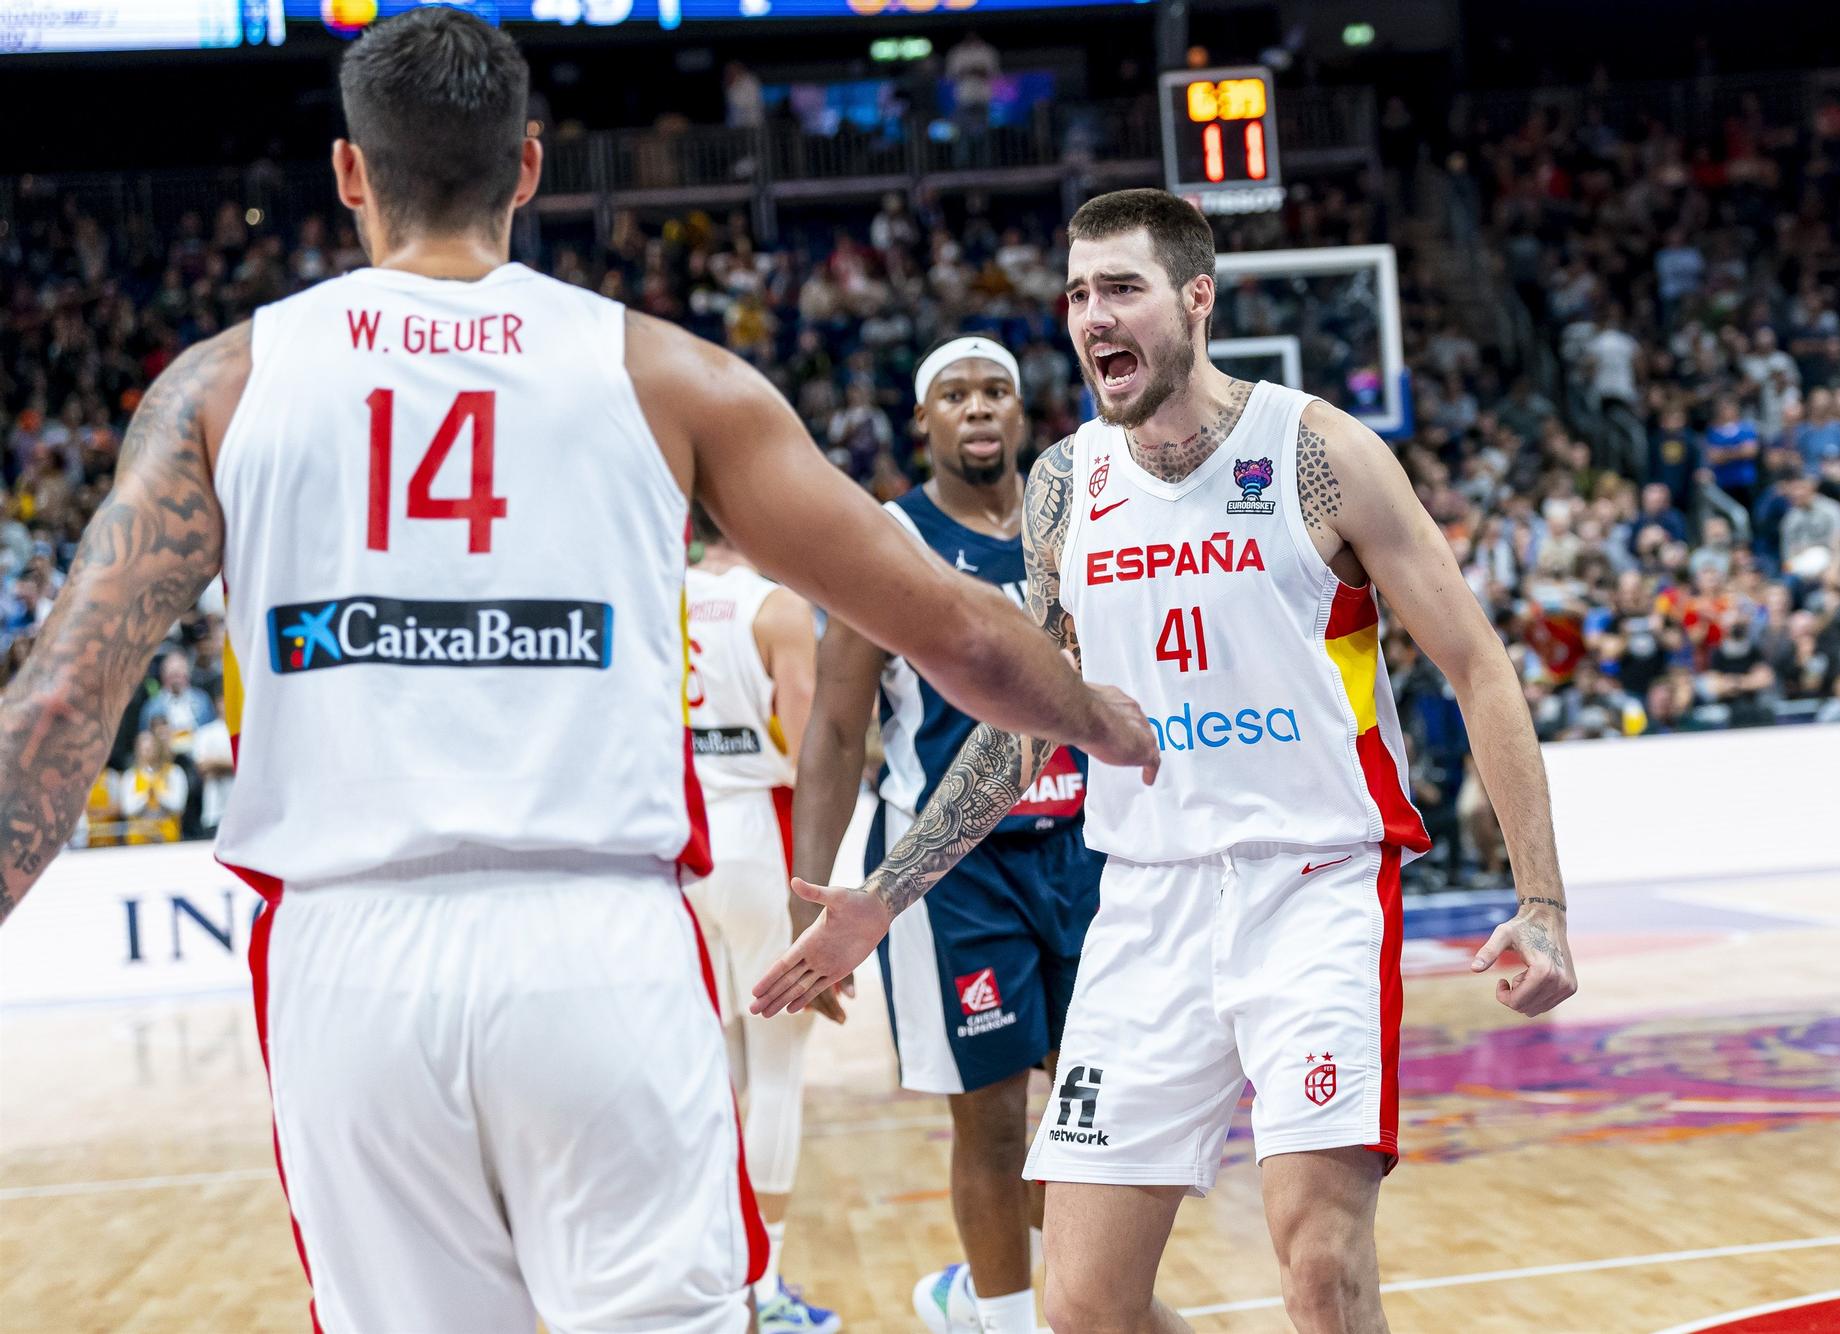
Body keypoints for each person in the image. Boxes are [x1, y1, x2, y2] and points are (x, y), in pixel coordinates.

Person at [0, 13, 1158, 1334]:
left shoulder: (221, 384)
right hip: (593, 945)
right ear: (531, 168)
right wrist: (1099, 715)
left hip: (343, 962)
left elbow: (52, 710)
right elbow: (949, 630)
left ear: (349, 174)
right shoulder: (669, 374)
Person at [756, 189, 1578, 1334]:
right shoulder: (1064, 484)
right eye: (1077, 293)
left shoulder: (1317, 452)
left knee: (1321, 1266)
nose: (1092, 315)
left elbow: (1479, 667)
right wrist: (879, 898)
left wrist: (1539, 899)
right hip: (1143, 901)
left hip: (1316, 884)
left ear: (1196, 297)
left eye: (1121, 288)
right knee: (1084, 1305)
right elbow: (1024, 720)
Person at [790, 335, 1102, 1334]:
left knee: (1093, 1111)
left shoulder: (1076, 524)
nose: (978, 408)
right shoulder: (886, 540)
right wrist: (812, 897)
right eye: (954, 394)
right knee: (994, 1109)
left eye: (996, 391)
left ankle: (1008, 1297)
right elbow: (837, 725)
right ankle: (1009, 1320)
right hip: (951, 873)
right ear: (920, 420)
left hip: (1088, 851)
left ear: (1021, 413)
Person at [681, 513, 838, 1334]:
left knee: (715, 1069)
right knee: (778, 1065)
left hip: (680, 839)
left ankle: (711, 1271)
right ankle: (765, 1285)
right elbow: (813, 743)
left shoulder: (658, 598)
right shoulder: (772, 607)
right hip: (757, 832)